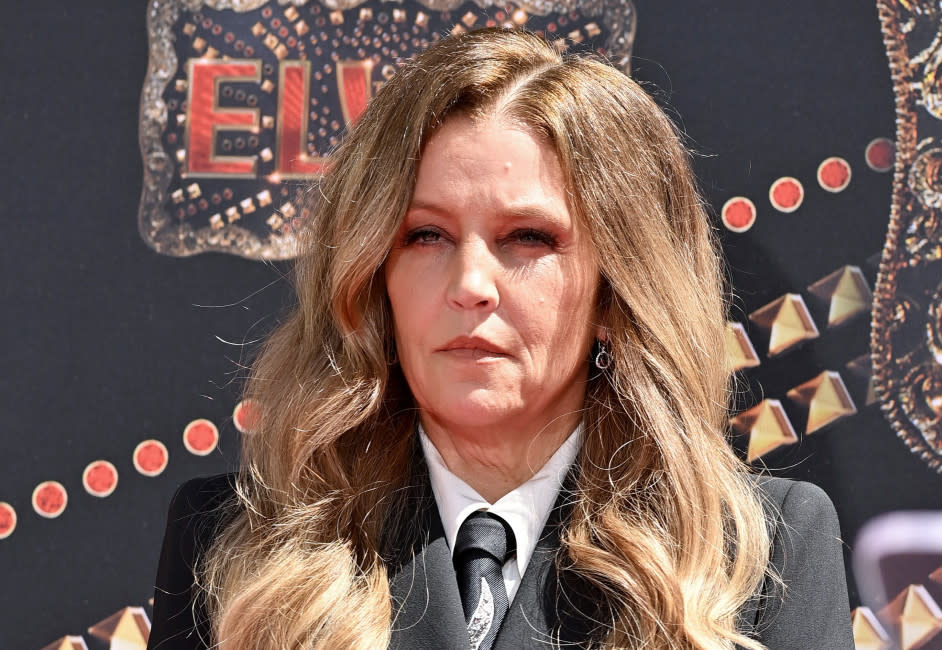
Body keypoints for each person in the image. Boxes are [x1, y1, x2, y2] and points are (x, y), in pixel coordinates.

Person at [148, 27, 853, 650]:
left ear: (615, 289)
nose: (470, 284)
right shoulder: (232, 544)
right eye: (426, 236)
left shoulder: (760, 554)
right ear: (374, 278)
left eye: (527, 238)